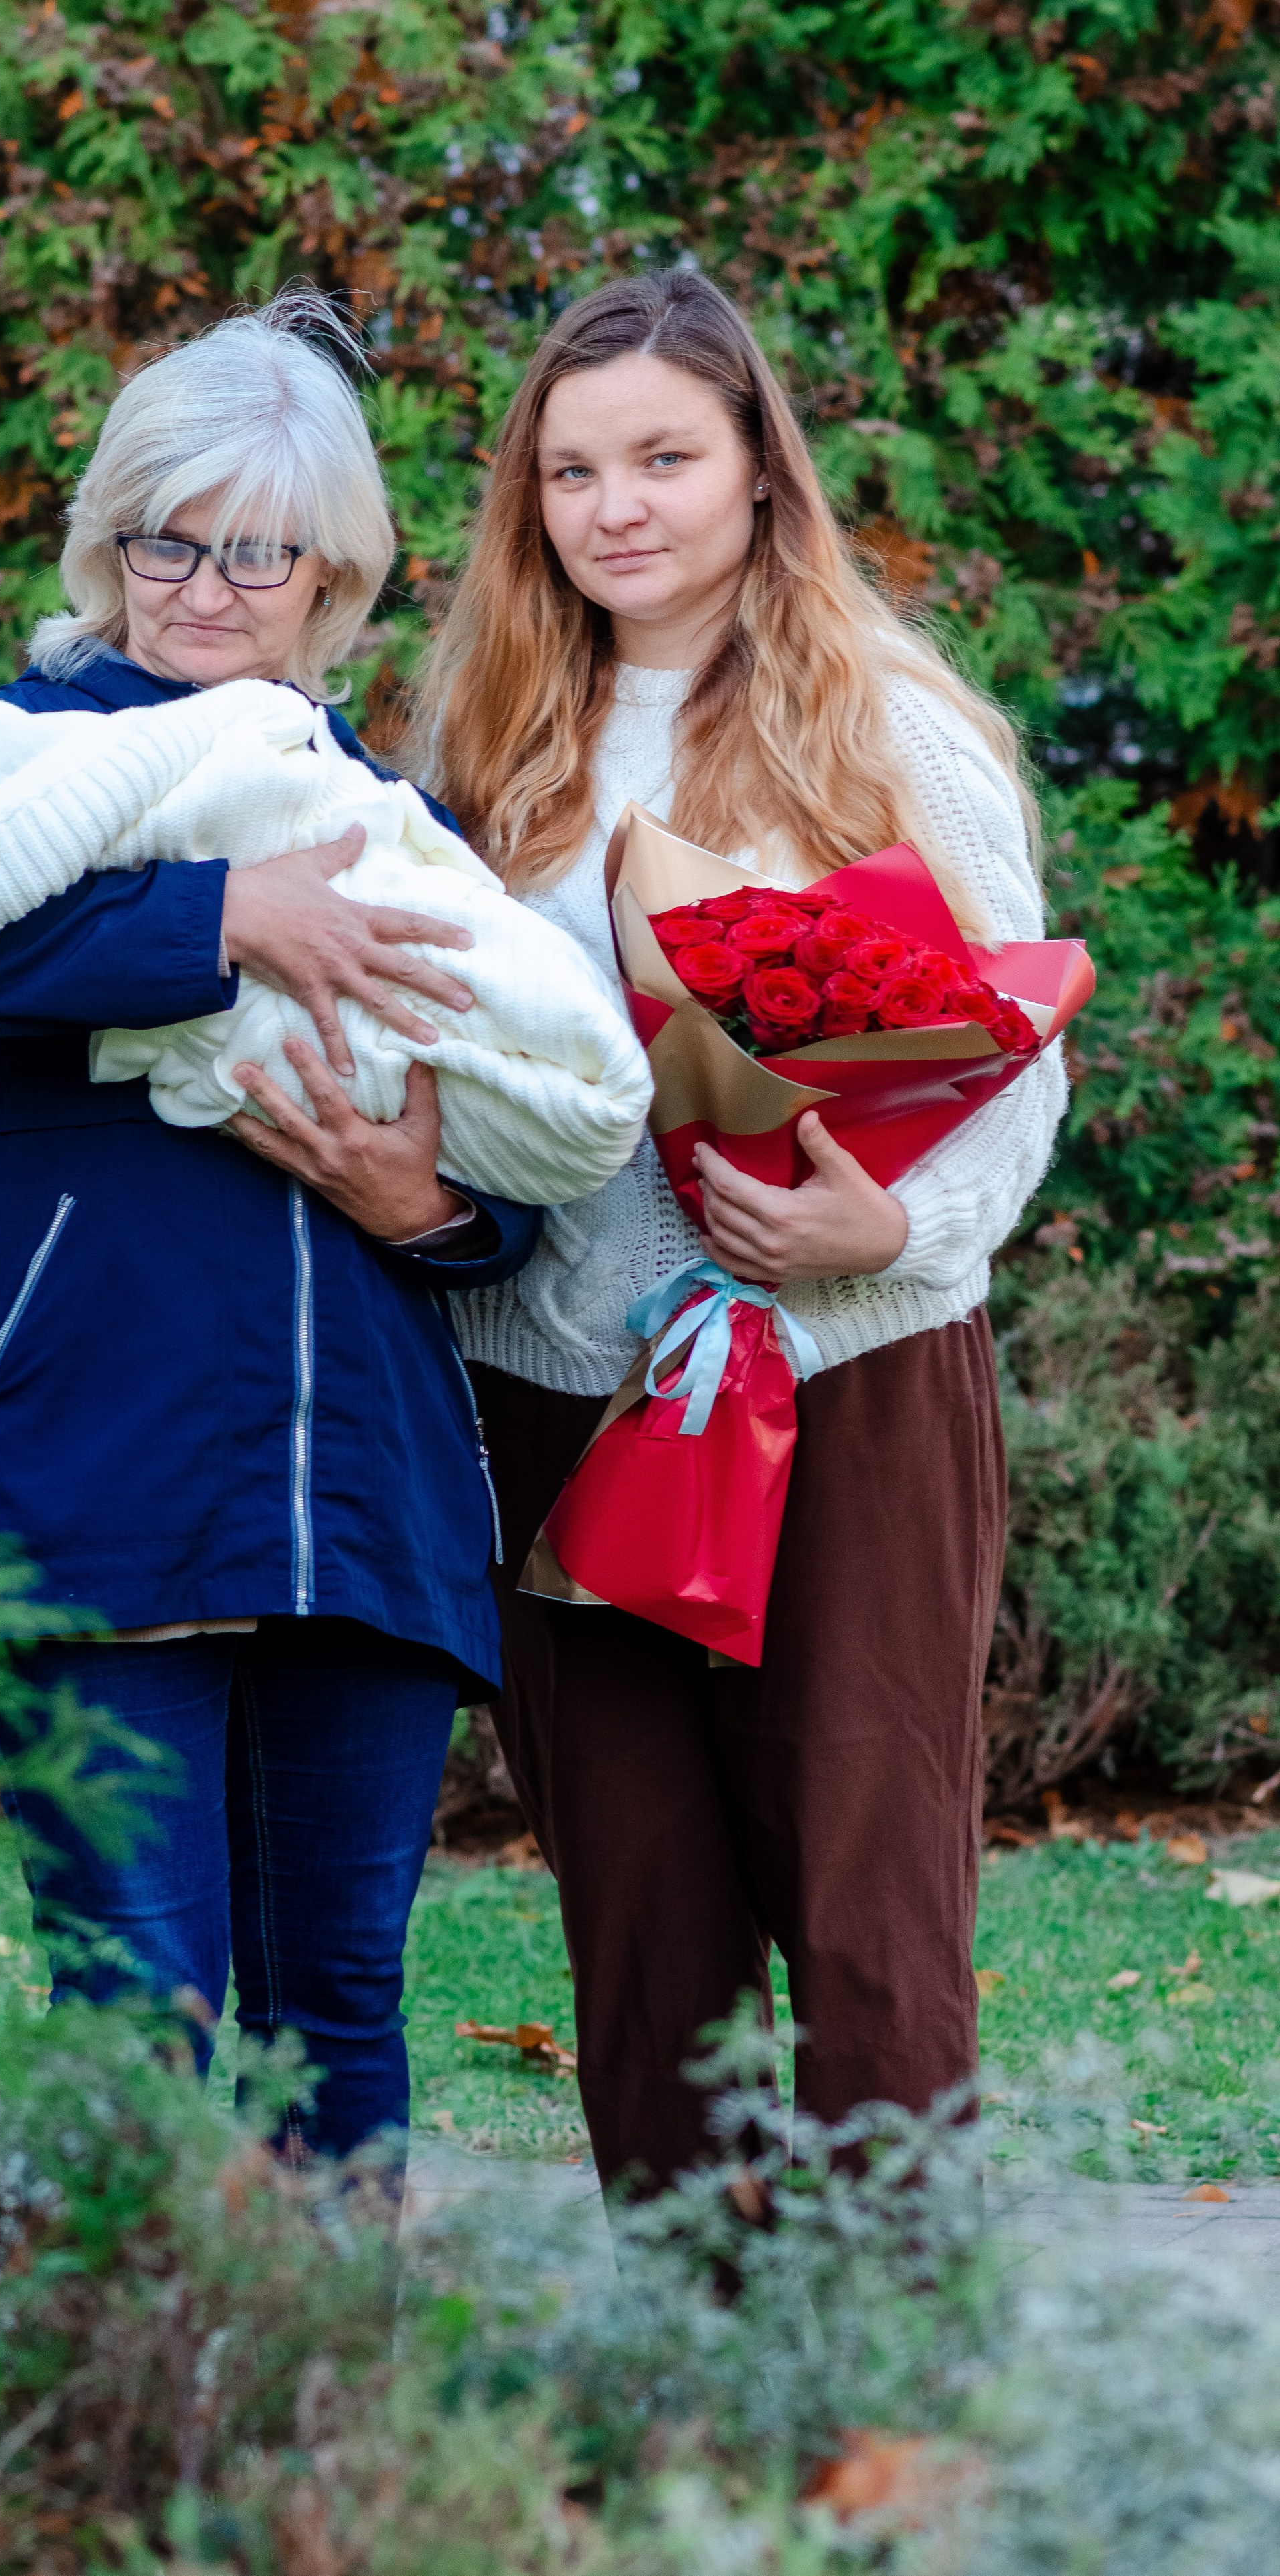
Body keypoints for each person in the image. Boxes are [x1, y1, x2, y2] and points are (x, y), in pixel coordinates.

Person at [0, 295, 541, 2170]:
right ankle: (146, 2431)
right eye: (167, 532)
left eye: (257, 547)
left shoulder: (398, 821)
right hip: (95, 1464)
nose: (203, 584)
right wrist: (221, 914)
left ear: (333, 576)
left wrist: (444, 1209)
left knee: (337, 2010)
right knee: (137, 2011)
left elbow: (531, 1119)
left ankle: (322, 2447)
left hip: (359, 1497)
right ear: (109, 535)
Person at [416, 269, 1067, 2195]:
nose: (617, 506)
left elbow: (1015, 1054)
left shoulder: (896, 722)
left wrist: (897, 1217)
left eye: (665, 458)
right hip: (558, 1391)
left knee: (872, 1933)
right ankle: (698, 2398)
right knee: (643, 1940)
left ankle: (888, 2419)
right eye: (573, 470)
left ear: (759, 467)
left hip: (843, 1382)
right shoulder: (487, 739)